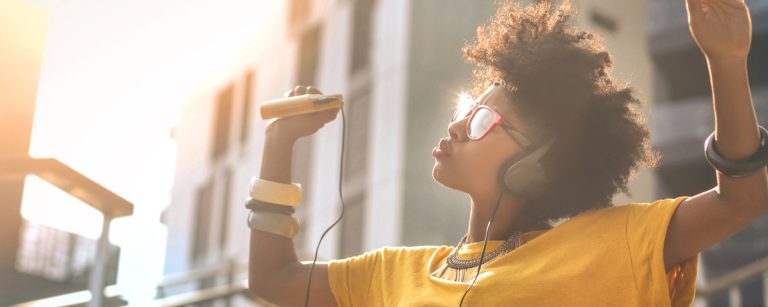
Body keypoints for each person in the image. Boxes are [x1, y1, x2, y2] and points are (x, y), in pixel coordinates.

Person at [247, 0, 766, 306]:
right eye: (466, 107)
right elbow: (272, 279)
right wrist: (278, 146)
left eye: (479, 120)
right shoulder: (392, 273)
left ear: (536, 163)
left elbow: (738, 202)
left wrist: (726, 60)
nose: (455, 125)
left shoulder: (612, 243)